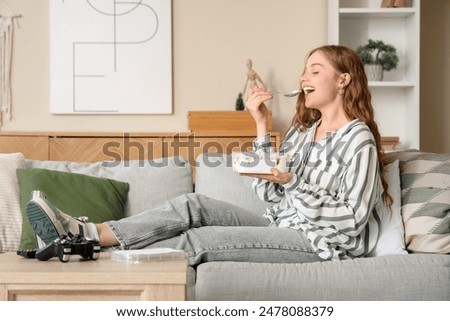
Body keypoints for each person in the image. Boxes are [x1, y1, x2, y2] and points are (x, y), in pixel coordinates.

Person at [27, 45, 390, 265]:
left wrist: (292, 182)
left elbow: (351, 220)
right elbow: (268, 192)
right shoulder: (302, 133)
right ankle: (84, 233)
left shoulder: (358, 140)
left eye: (316, 70)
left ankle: (82, 244)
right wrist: (261, 126)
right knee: (192, 205)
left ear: (343, 80)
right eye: (304, 70)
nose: (304, 77)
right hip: (280, 225)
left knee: (197, 240)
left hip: (319, 243)